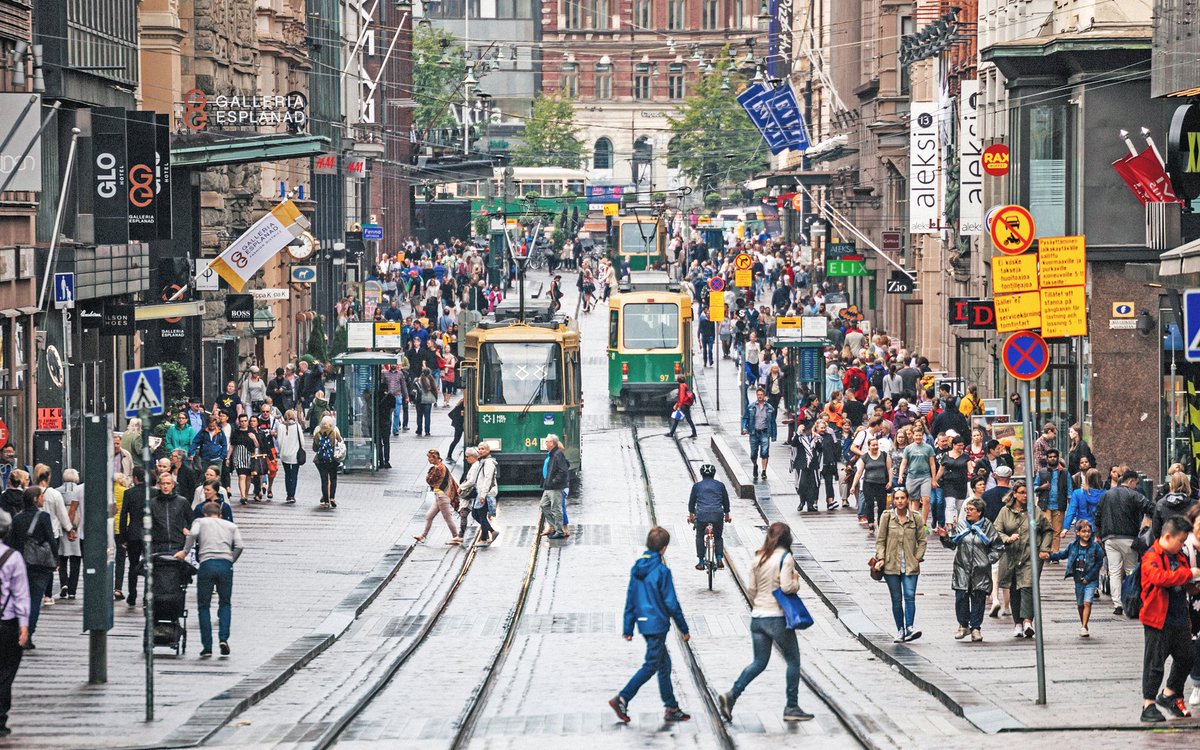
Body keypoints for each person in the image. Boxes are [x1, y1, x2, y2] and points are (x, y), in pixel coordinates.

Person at [718, 522, 813, 722]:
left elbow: (751, 589)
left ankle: (732, 695)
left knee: (759, 662)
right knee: (793, 661)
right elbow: (787, 588)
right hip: (776, 618)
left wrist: (759, 605)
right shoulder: (786, 559)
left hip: (758, 617)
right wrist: (796, 581)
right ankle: (792, 707)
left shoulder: (758, 557)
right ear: (787, 538)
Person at [610, 527, 691, 724]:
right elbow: (671, 603)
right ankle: (622, 698)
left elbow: (631, 598)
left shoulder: (637, 568)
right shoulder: (662, 571)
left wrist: (628, 627)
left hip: (644, 625)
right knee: (651, 665)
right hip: (657, 625)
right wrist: (684, 628)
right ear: (663, 549)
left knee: (664, 664)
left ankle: (671, 706)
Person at [1138, 515, 1200, 722]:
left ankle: (1170, 693)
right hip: (1157, 619)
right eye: (1181, 541)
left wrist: (1191, 583)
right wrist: (1189, 574)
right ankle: (1148, 705)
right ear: (1167, 536)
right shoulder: (1151, 556)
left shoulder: (1178, 555)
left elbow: (1181, 578)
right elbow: (1159, 578)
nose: (1183, 545)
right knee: (1155, 663)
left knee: (1187, 657)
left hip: (1179, 618)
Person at [176, 501, 245, 658]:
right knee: (225, 603)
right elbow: (240, 546)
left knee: (204, 606)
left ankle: (207, 646)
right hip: (225, 565)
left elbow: (192, 534)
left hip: (206, 564)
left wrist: (185, 551)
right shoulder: (230, 526)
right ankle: (223, 638)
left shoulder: (200, 521)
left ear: (204, 513)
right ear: (219, 514)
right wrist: (230, 560)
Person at [936, 496, 1003, 641]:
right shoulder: (960, 526)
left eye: (971, 509)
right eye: (966, 509)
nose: (967, 512)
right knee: (961, 597)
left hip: (980, 570)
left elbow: (998, 547)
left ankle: (976, 628)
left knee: (978, 599)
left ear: (979, 512)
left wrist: (988, 560)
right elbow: (952, 544)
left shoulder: (988, 527)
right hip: (962, 568)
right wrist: (944, 537)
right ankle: (963, 625)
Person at [994, 481, 1053, 638]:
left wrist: (1044, 549)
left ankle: (1028, 622)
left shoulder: (1035, 511)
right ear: (1014, 493)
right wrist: (1007, 538)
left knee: (1027, 586)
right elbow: (996, 530)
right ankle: (1018, 623)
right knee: (1014, 589)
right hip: (1011, 555)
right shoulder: (1005, 511)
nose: (1025, 495)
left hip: (1030, 555)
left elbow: (1048, 530)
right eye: (1021, 492)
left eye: (1027, 492)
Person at [1095, 469, 1154, 615]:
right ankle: (1132, 601)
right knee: (1131, 570)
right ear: (1131, 481)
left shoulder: (1106, 495)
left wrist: (1098, 534)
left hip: (1109, 538)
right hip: (1128, 537)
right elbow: (1150, 508)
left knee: (1114, 571)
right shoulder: (1134, 494)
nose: (1136, 486)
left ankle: (1117, 604)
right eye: (1136, 483)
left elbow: (1098, 515)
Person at [874, 487, 926, 642]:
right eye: (897, 498)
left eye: (903, 498)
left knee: (909, 596)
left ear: (908, 499)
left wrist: (918, 558)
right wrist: (881, 558)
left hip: (910, 565)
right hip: (891, 565)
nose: (900, 501)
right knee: (896, 599)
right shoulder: (887, 516)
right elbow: (880, 540)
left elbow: (922, 540)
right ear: (893, 500)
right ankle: (900, 629)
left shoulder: (916, 517)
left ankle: (910, 627)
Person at [4, 488, 51, 650]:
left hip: (21, 565)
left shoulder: (17, 519)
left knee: (20, 598)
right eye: (42, 496)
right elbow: (51, 539)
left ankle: (19, 631)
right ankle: (28, 634)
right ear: (35, 499)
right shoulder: (44, 517)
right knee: (35, 600)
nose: (43, 499)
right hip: (39, 565)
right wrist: (56, 560)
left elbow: (11, 542)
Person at [0, 509, 30, 738]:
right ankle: (0, 717)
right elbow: (20, 595)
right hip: (7, 622)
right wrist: (24, 625)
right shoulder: (13, 558)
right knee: (7, 671)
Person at [1047, 519, 1105, 637]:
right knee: (1080, 604)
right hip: (1078, 579)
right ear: (1077, 533)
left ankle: (1084, 627)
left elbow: (1099, 562)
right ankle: (1083, 622)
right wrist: (1049, 556)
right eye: (1083, 531)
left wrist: (1088, 577)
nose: (1086, 534)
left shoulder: (1095, 547)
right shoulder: (1072, 546)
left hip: (1091, 579)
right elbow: (1062, 555)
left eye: (1088, 531)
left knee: (1087, 602)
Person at [688, 464, 731, 570]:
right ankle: (719, 559)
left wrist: (691, 515)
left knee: (699, 536)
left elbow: (691, 503)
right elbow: (726, 501)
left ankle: (701, 562)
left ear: (701, 474)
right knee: (718, 537)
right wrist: (727, 515)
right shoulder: (720, 485)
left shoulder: (697, 486)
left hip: (701, 515)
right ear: (714, 474)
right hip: (717, 515)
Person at [416, 449, 461, 544]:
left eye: (430, 457)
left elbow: (429, 480)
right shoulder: (440, 466)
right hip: (439, 495)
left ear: (435, 458)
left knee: (447, 517)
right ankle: (423, 536)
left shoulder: (438, 468)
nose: (428, 459)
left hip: (442, 496)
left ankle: (456, 536)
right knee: (429, 516)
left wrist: (429, 477)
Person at [849, 436, 892, 533]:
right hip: (868, 483)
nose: (875, 447)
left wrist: (889, 481)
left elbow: (889, 469)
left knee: (882, 505)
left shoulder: (884, 455)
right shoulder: (865, 457)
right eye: (873, 445)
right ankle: (871, 524)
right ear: (869, 446)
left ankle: (881, 523)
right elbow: (859, 472)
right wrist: (853, 485)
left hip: (882, 483)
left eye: (877, 445)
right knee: (869, 504)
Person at [1035, 449, 1073, 554]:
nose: (1052, 458)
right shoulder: (1042, 472)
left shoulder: (1065, 472)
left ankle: (1055, 553)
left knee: (1057, 531)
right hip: (1045, 505)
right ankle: (1046, 551)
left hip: (1059, 505)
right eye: (1050, 457)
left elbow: (1069, 489)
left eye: (1054, 456)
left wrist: (1071, 506)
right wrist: (1042, 487)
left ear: (1057, 458)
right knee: (1047, 529)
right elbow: (1034, 487)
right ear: (1047, 459)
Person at [459, 447, 498, 546]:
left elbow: (487, 480)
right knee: (478, 514)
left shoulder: (488, 463)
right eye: (479, 448)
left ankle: (489, 535)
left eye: (483, 449)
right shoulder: (482, 462)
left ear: (488, 451)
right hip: (480, 492)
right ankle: (487, 536)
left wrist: (483, 495)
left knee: (479, 514)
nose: (480, 450)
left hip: (484, 493)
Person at [898, 424, 937, 525]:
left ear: (922, 436)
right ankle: (914, 522)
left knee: (926, 499)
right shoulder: (908, 448)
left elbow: (932, 464)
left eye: (920, 435)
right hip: (912, 477)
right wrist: (900, 476)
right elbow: (903, 463)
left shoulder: (928, 448)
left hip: (925, 477)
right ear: (913, 436)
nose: (918, 437)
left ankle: (923, 523)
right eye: (916, 435)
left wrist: (934, 479)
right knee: (914, 501)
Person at [150, 473, 191, 555]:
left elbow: (192, 519)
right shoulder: (152, 503)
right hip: (158, 546)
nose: (165, 486)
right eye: (163, 483)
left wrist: (187, 528)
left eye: (168, 483)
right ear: (159, 485)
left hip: (178, 545)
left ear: (172, 485)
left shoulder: (182, 501)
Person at [934, 434, 970, 527]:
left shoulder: (966, 457)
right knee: (950, 504)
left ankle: (959, 525)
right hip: (949, 483)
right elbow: (941, 470)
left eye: (962, 445)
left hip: (961, 484)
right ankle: (949, 526)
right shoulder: (946, 456)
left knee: (960, 507)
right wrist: (935, 480)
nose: (961, 447)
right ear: (954, 445)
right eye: (959, 445)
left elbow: (970, 469)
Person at [742, 387, 776, 481]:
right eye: (758, 395)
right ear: (756, 395)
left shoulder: (769, 408)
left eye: (761, 395)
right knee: (753, 454)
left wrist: (773, 435)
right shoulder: (751, 407)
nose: (760, 396)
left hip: (765, 432)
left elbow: (773, 422)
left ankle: (764, 471)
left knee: (765, 452)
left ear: (764, 396)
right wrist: (744, 428)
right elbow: (745, 418)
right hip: (754, 432)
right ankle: (755, 465)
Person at [540, 434, 570, 540]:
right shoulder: (552, 454)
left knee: (556, 508)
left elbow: (563, 470)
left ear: (552, 443)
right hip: (548, 486)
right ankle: (555, 526)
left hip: (555, 487)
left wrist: (554, 481)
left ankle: (559, 531)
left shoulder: (557, 454)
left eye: (547, 441)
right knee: (543, 505)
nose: (545, 443)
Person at [311, 416, 344, 509]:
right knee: (333, 479)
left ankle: (325, 499)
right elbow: (340, 443)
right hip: (332, 460)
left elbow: (314, 448)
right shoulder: (334, 432)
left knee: (324, 479)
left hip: (321, 460)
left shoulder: (318, 433)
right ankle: (332, 497)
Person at [1151, 473, 1197, 539]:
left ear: (1171, 485)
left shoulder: (1160, 504)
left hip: (1168, 543)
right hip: (1189, 544)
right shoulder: (1195, 505)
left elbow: (1156, 530)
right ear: (1187, 485)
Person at [277, 409, 304, 504]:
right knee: (294, 475)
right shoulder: (297, 426)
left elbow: (279, 441)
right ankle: (292, 494)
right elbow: (302, 441)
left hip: (284, 454)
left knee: (287, 474)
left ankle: (288, 494)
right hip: (295, 454)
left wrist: (281, 451)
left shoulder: (280, 426)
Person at [667, 375, 697, 439]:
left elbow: (681, 397)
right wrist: (677, 404)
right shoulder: (685, 385)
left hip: (684, 405)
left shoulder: (682, 386)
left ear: (678, 380)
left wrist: (679, 406)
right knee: (687, 419)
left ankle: (671, 433)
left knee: (677, 419)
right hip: (686, 404)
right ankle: (694, 433)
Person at [375, 382, 395, 469]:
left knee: (378, 442)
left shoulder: (376, 396)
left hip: (378, 421)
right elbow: (392, 410)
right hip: (386, 421)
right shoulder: (391, 397)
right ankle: (387, 461)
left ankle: (380, 461)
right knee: (386, 442)